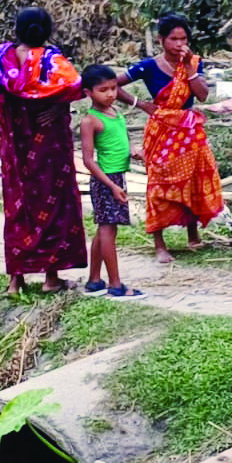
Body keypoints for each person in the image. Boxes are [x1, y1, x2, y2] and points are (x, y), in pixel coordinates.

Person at [0, 8, 88, 295]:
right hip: (49, 147)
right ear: (48, 29)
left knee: (18, 208)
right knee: (53, 205)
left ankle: (16, 280)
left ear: (17, 28)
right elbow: (75, 88)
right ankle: (51, 279)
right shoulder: (53, 62)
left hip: (15, 146)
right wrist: (55, 108)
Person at [118, 14, 222, 263]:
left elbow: (203, 95)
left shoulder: (194, 63)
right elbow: (113, 83)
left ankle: (193, 235)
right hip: (161, 132)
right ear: (162, 40)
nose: (179, 44)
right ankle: (159, 244)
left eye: (183, 39)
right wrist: (140, 104)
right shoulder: (148, 66)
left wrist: (189, 68)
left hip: (189, 131)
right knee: (159, 184)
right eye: (173, 39)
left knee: (193, 180)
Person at [78, 64, 145, 299]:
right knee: (108, 229)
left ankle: (95, 280)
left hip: (118, 176)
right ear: (88, 93)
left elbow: (123, 141)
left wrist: (134, 151)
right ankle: (115, 284)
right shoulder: (90, 121)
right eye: (103, 90)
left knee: (104, 228)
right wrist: (112, 186)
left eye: (114, 88)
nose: (110, 94)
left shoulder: (116, 113)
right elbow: (88, 160)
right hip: (106, 181)